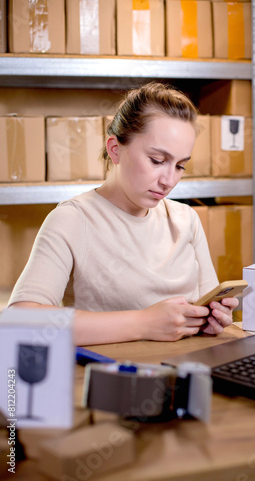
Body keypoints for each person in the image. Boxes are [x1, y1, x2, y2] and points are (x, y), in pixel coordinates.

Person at [8, 82, 239, 345]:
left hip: (185, 371)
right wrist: (144, 323)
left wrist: (213, 318)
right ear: (115, 149)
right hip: (110, 378)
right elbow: (20, 322)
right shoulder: (72, 220)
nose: (169, 180)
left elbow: (209, 304)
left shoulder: (187, 219)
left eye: (180, 166)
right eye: (157, 160)